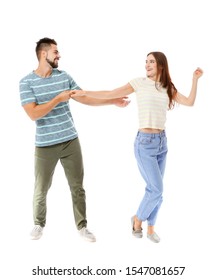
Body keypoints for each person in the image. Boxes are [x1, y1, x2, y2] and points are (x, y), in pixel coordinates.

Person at [71, 51, 203, 243]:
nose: (147, 65)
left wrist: (195, 79)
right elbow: (110, 93)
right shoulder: (138, 83)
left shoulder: (167, 87)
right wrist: (85, 92)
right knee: (156, 189)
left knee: (157, 190)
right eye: (146, 61)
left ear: (161, 66)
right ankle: (137, 220)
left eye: (151, 62)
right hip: (145, 144)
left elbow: (189, 102)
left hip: (162, 143)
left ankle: (150, 229)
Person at [19, 37, 129, 242]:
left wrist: (112, 101)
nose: (59, 55)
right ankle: (38, 224)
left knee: (77, 186)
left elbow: (85, 97)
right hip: (45, 145)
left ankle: (82, 227)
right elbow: (33, 114)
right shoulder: (26, 82)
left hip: (70, 140)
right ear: (44, 54)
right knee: (41, 188)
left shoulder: (63, 76)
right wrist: (57, 99)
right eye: (55, 52)